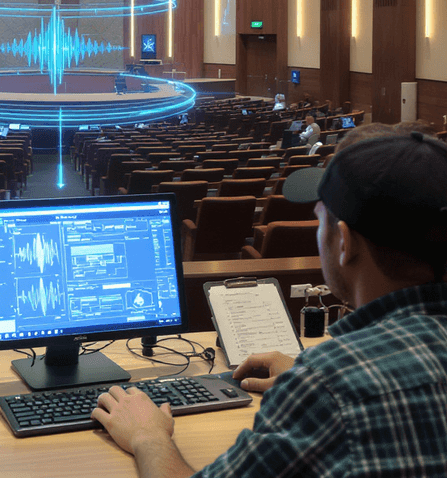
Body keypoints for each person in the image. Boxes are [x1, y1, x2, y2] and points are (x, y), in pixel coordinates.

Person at [92, 132, 447, 477]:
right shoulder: (331, 381)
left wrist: (147, 436)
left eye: (319, 219)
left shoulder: (329, 383)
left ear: (346, 243)